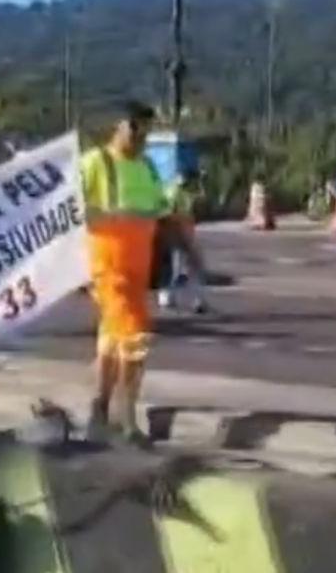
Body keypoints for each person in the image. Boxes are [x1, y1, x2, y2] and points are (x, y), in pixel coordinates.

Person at [81, 101, 201, 444]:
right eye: (134, 127)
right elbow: (66, 212)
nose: (140, 136)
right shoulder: (95, 164)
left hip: (137, 270)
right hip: (108, 270)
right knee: (135, 338)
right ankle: (127, 421)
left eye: (146, 130)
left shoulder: (147, 168)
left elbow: (164, 215)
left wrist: (191, 254)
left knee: (112, 340)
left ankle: (99, 413)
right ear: (116, 126)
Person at [161, 171, 209, 314]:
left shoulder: (181, 192)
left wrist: (202, 182)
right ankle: (195, 300)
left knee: (181, 266)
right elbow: (170, 214)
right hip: (179, 232)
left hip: (183, 231)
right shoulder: (174, 192)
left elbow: (199, 201)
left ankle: (170, 296)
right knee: (191, 266)